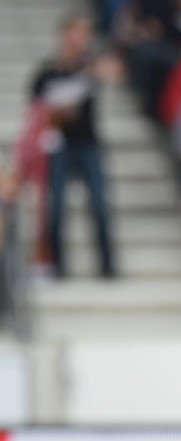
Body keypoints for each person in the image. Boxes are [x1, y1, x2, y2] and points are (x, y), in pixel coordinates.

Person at [31, 15, 115, 279]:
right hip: (60, 146)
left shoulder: (89, 66)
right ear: (64, 36)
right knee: (55, 209)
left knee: (100, 207)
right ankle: (57, 266)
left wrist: (89, 66)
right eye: (75, 34)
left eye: (84, 34)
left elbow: (113, 71)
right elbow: (36, 110)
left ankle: (108, 267)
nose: (79, 40)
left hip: (88, 144)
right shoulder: (48, 72)